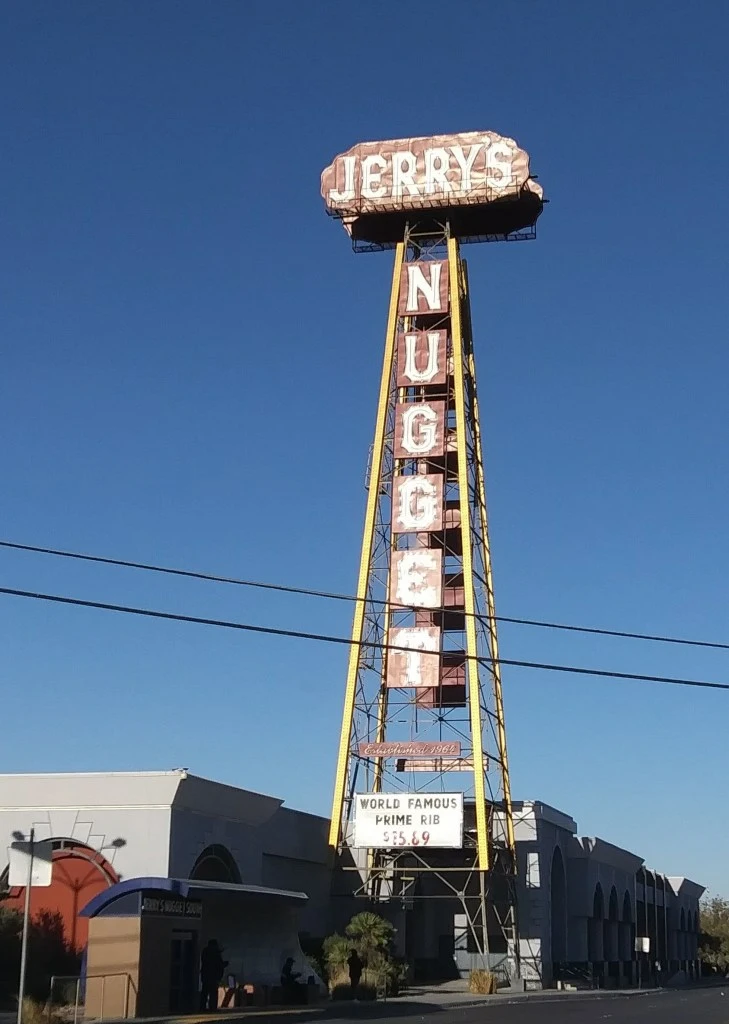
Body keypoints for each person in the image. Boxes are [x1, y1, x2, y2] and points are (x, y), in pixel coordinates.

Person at [200, 939, 228, 1011]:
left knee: (204, 992)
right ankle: (212, 1008)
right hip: (214, 977)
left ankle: (202, 1007)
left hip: (205, 976)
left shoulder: (205, 952)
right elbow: (218, 965)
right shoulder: (215, 954)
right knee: (213, 993)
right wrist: (224, 964)